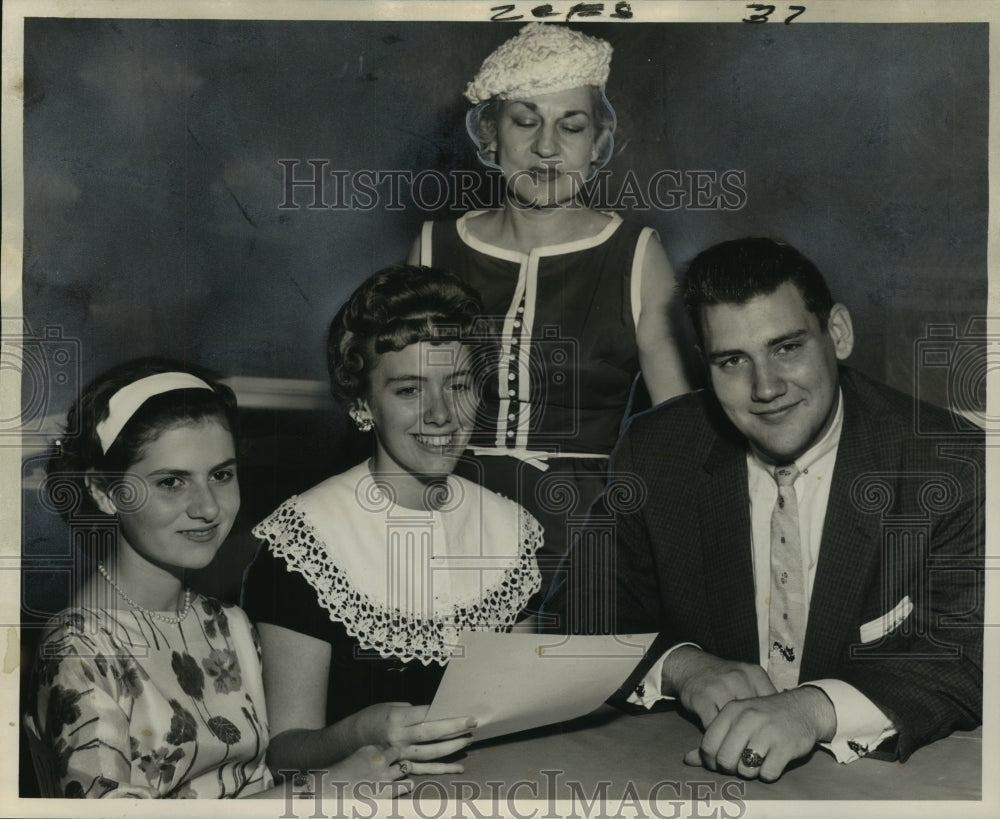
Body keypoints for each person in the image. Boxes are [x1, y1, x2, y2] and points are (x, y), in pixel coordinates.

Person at [544, 238, 983, 781]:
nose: (766, 387)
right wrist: (684, 668)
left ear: (838, 334)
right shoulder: (656, 450)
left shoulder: (949, 463)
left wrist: (813, 709)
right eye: (733, 361)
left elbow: (970, 656)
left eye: (787, 348)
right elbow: (574, 619)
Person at [30, 358, 410, 799]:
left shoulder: (229, 624)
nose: (208, 507)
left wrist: (359, 734)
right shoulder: (78, 650)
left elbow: (270, 768)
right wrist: (324, 791)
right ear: (104, 491)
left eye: (221, 475)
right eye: (172, 482)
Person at [407, 23, 690, 597]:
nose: (546, 148)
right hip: (443, 512)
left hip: (583, 531)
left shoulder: (638, 254)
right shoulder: (434, 246)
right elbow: (401, 398)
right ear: (491, 136)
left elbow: (679, 431)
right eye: (525, 120)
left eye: (571, 125)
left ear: (598, 142)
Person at [241, 266, 543, 776]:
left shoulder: (510, 530)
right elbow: (285, 754)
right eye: (408, 390)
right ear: (363, 403)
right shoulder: (305, 542)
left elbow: (519, 715)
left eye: (460, 385)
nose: (442, 414)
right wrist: (364, 731)